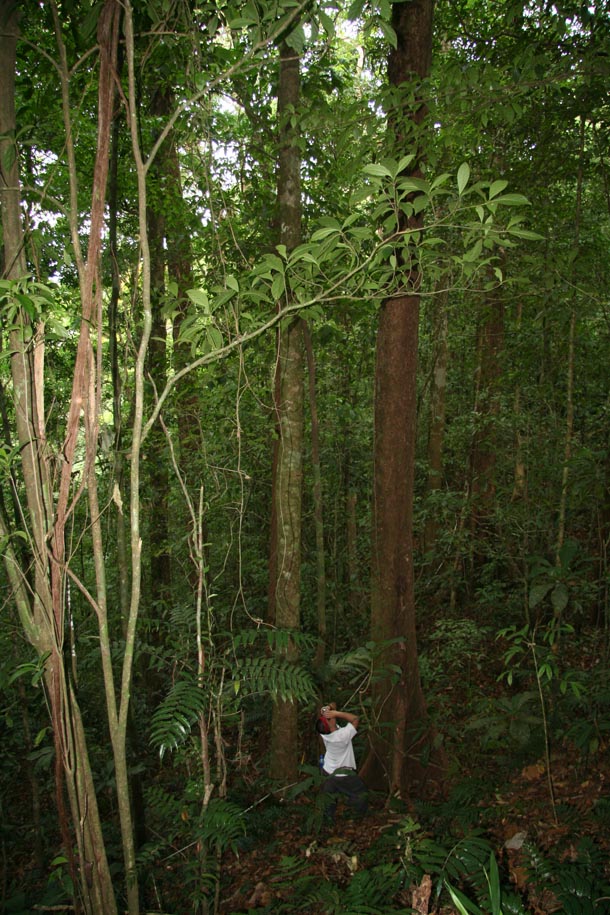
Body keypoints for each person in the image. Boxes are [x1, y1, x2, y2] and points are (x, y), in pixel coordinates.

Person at [316, 702, 367, 821]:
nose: (329, 716)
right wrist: (337, 713)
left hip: (328, 771)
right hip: (343, 774)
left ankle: (328, 821)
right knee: (360, 793)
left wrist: (328, 709)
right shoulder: (341, 736)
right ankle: (357, 817)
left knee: (329, 798)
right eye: (328, 719)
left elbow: (331, 705)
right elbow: (355, 719)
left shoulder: (324, 733)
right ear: (330, 725)